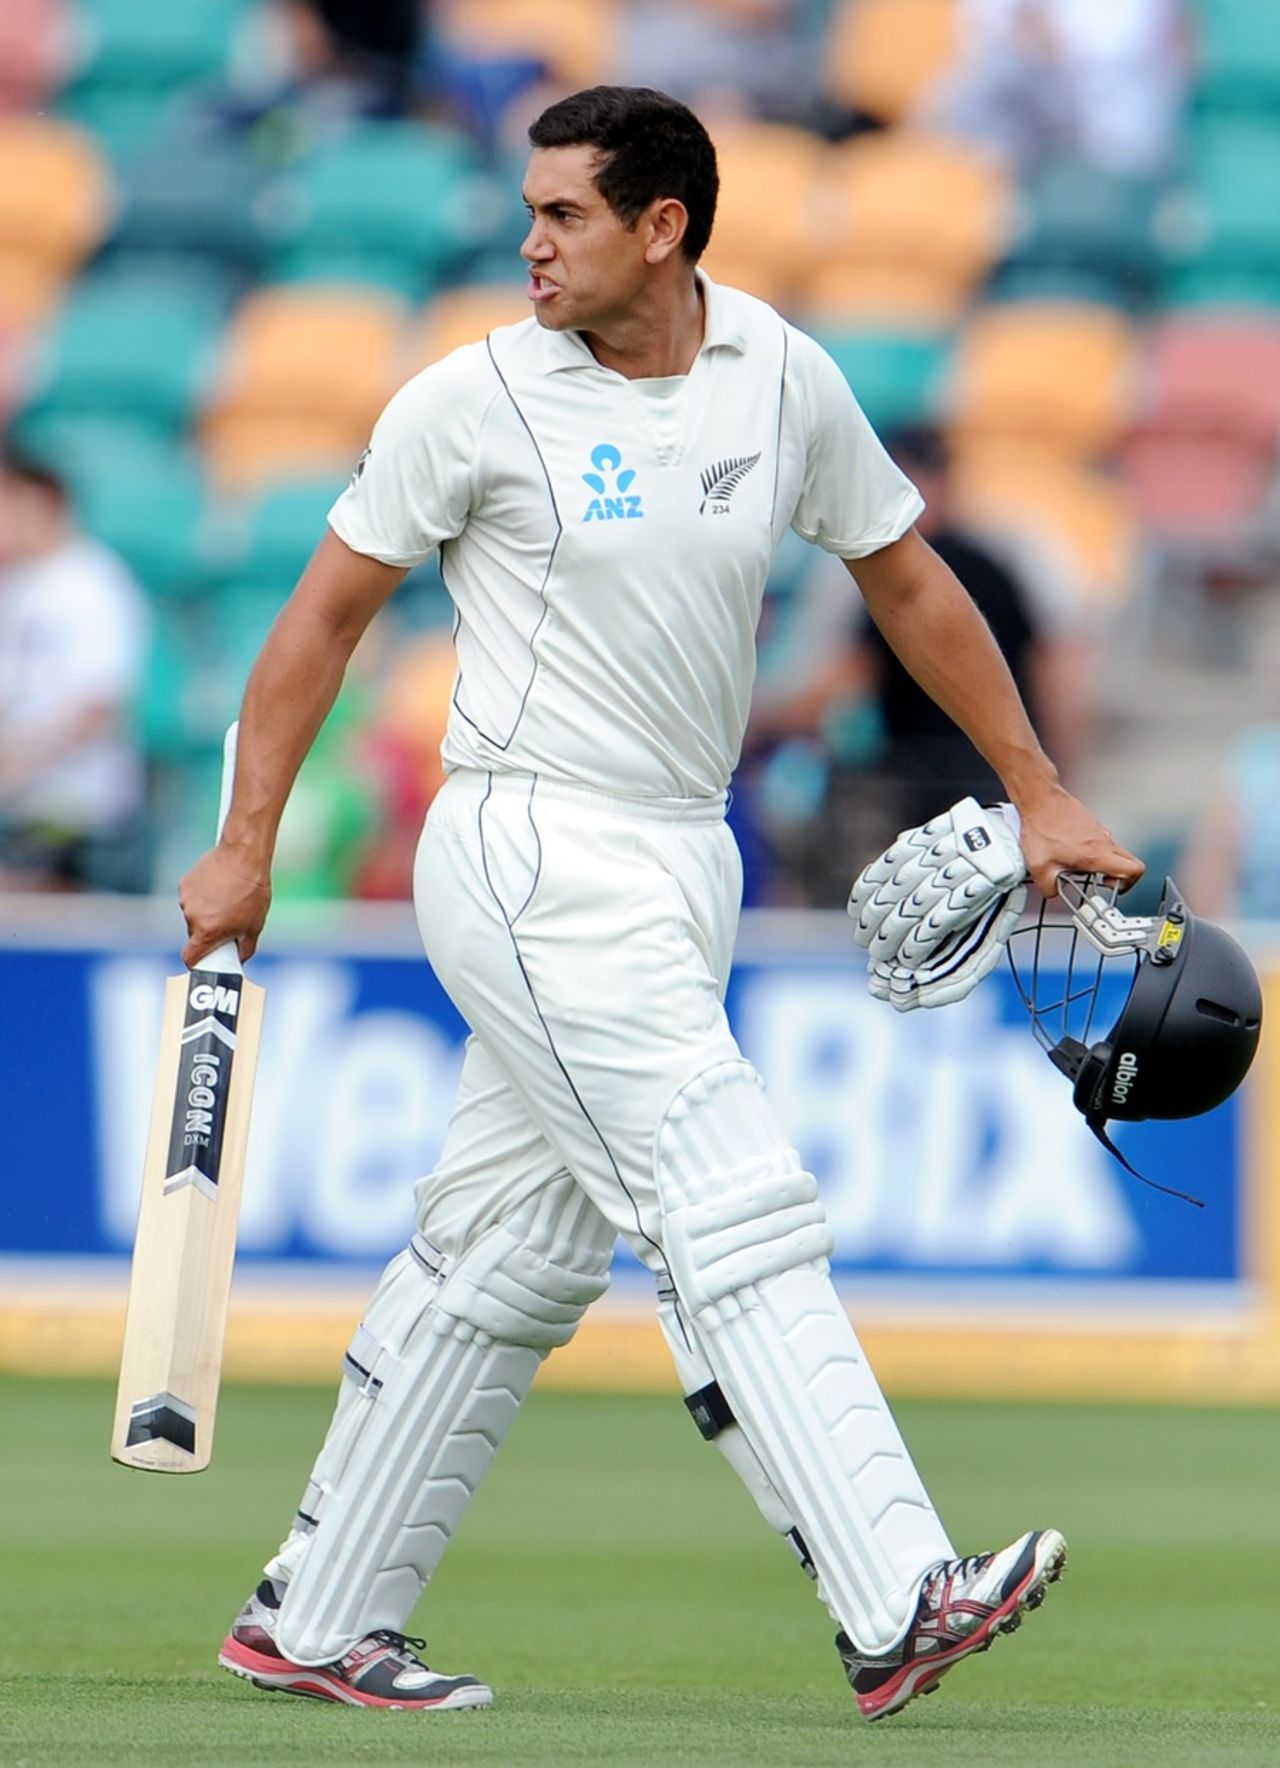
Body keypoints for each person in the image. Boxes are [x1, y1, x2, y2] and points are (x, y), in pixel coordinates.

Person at [181, 86, 1142, 1720]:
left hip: (684, 854)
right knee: (730, 1196)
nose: (531, 242)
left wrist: (1037, 783)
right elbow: (319, 623)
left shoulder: (779, 371)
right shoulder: (470, 399)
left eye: (564, 214)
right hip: (529, 847)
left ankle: (317, 1617)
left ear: (663, 227)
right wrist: (245, 839)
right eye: (529, 211)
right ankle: (897, 1592)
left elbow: (907, 578)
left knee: (512, 1252)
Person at [0, 447, 150, 892]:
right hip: (22, 806)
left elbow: (97, 705)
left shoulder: (91, 583)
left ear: (40, 501)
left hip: (77, 813)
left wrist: (13, 765)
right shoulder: (17, 584)